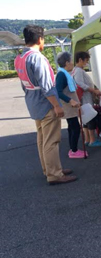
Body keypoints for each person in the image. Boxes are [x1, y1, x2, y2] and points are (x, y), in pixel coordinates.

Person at [14, 25, 77, 185]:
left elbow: (24, 84)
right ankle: (55, 174)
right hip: (46, 103)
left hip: (33, 102)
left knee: (42, 139)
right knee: (51, 141)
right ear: (40, 39)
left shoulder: (20, 58)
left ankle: (49, 169)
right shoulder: (37, 58)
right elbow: (47, 86)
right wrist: (56, 105)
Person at [55, 52, 88, 158]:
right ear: (67, 62)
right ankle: (74, 151)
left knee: (72, 128)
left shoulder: (63, 73)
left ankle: (73, 149)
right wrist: (71, 100)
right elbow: (58, 91)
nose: (73, 63)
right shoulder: (61, 74)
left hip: (71, 106)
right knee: (75, 128)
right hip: (69, 106)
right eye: (71, 61)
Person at [72, 51, 101, 147]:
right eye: (86, 60)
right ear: (80, 60)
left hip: (82, 98)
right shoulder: (78, 71)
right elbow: (80, 84)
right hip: (85, 98)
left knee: (85, 118)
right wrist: (93, 90)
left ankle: (87, 139)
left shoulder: (75, 70)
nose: (87, 63)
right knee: (90, 118)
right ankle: (92, 140)